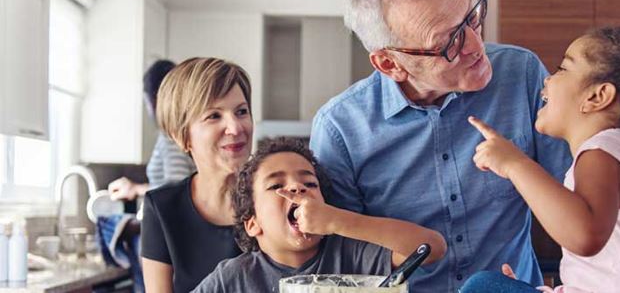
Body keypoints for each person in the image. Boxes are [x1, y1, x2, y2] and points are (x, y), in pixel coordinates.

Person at [309, 0, 571, 292]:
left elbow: (574, 195)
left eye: (471, 17)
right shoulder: (340, 130)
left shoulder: (521, 74)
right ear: (390, 64)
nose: (476, 45)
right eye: (448, 42)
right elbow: (346, 257)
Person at [460, 19, 620, 292]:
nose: (548, 78)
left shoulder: (603, 152)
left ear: (597, 97)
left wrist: (515, 163)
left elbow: (585, 236)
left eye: (563, 68)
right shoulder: (617, 152)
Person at [193, 137, 447, 292]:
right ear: (253, 224)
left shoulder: (352, 255)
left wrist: (338, 220)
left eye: (310, 184)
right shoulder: (234, 278)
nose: (297, 187)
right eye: (276, 186)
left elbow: (432, 247)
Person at [140, 57, 254, 292]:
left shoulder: (277, 198)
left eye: (241, 111)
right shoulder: (161, 208)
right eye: (214, 116)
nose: (235, 128)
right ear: (182, 135)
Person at [108, 59, 196, 201]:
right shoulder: (181, 131)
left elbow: (176, 187)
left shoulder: (171, 135)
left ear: (153, 99)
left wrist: (136, 189)